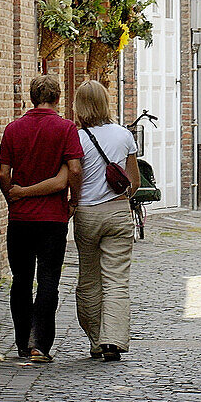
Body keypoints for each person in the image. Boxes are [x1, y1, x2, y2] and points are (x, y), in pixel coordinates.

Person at [0, 73, 83, 362]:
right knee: (48, 281)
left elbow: (2, 174)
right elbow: (74, 169)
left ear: (31, 98)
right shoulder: (66, 128)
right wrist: (74, 200)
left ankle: (22, 342)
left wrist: (12, 196)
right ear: (58, 98)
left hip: (20, 219)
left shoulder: (13, 129)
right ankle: (40, 345)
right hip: (52, 219)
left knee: (20, 280)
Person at [73, 80, 140, 361]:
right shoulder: (123, 135)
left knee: (88, 279)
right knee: (116, 280)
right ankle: (112, 340)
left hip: (86, 214)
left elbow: (73, 176)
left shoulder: (75, 138)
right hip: (117, 212)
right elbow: (134, 182)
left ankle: (96, 339)